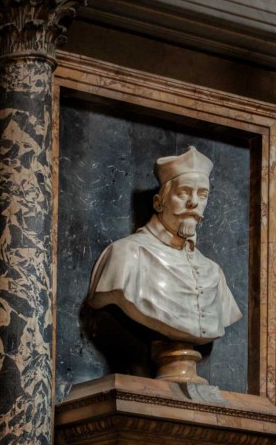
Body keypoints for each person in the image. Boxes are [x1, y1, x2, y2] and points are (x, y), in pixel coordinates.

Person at [87, 146, 241, 345]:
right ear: (159, 203)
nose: (194, 202)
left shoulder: (214, 272)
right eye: (184, 192)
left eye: (202, 194)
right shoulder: (125, 255)